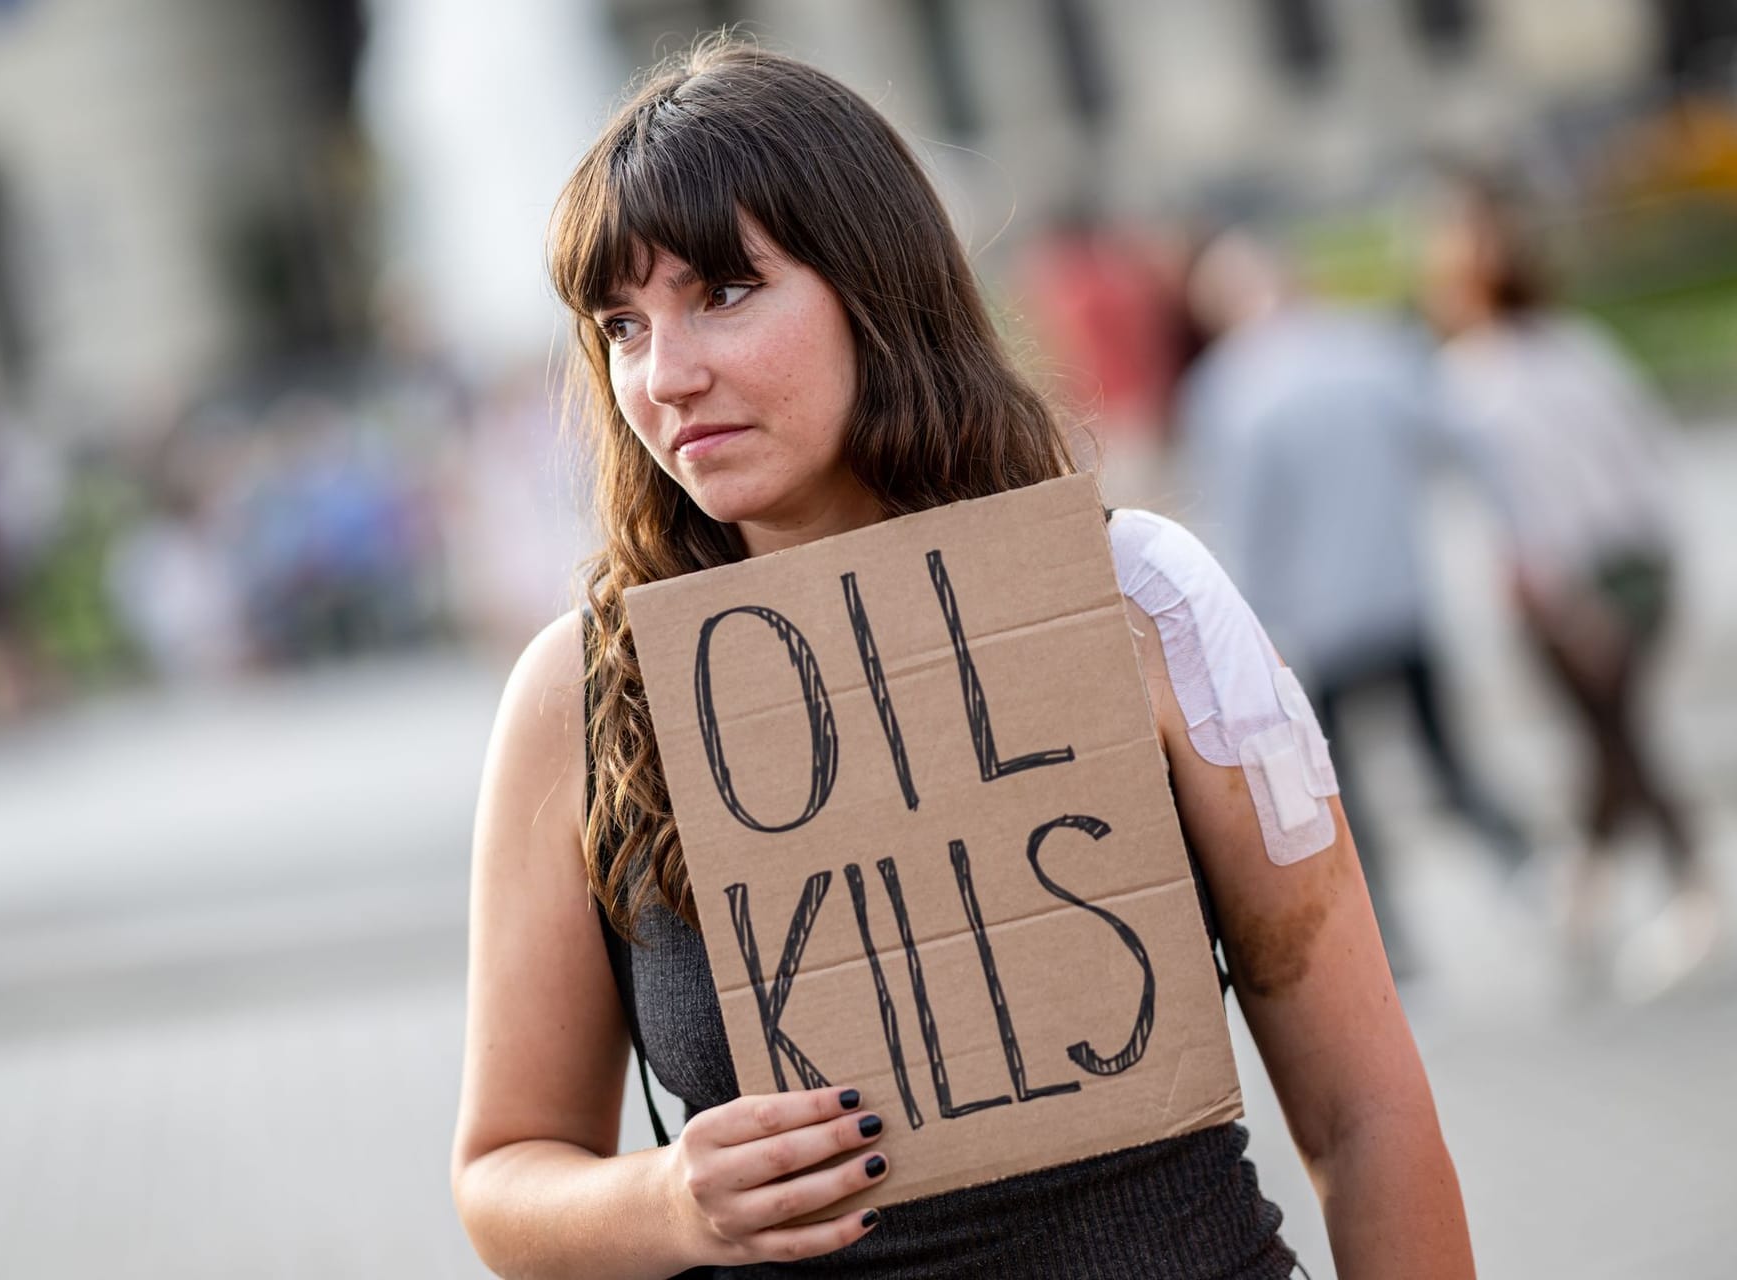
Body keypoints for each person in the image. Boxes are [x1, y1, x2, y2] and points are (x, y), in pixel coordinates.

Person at [453, 39, 1472, 1278]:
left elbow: (1364, 1115)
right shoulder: (582, 696)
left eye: (724, 291)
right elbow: (504, 1174)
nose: (666, 375)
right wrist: (672, 1199)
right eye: (622, 323)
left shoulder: (1139, 599)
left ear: (872, 284)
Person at [1180, 229, 1532, 975]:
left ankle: (1387, 942)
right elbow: (1461, 439)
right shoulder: (1368, 348)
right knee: (1447, 758)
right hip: (1400, 597)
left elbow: (1243, 529)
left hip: (1312, 627)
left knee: (1342, 791)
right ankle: (1525, 866)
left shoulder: (1227, 391)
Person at [1423, 174, 1720, 998]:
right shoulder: (1578, 344)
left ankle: (1678, 891)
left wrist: (1568, 605)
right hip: (1642, 563)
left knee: (1616, 736)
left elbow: (1529, 507)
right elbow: (1648, 450)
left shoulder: (1473, 379)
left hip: (1569, 587)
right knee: (1611, 732)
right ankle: (1590, 894)